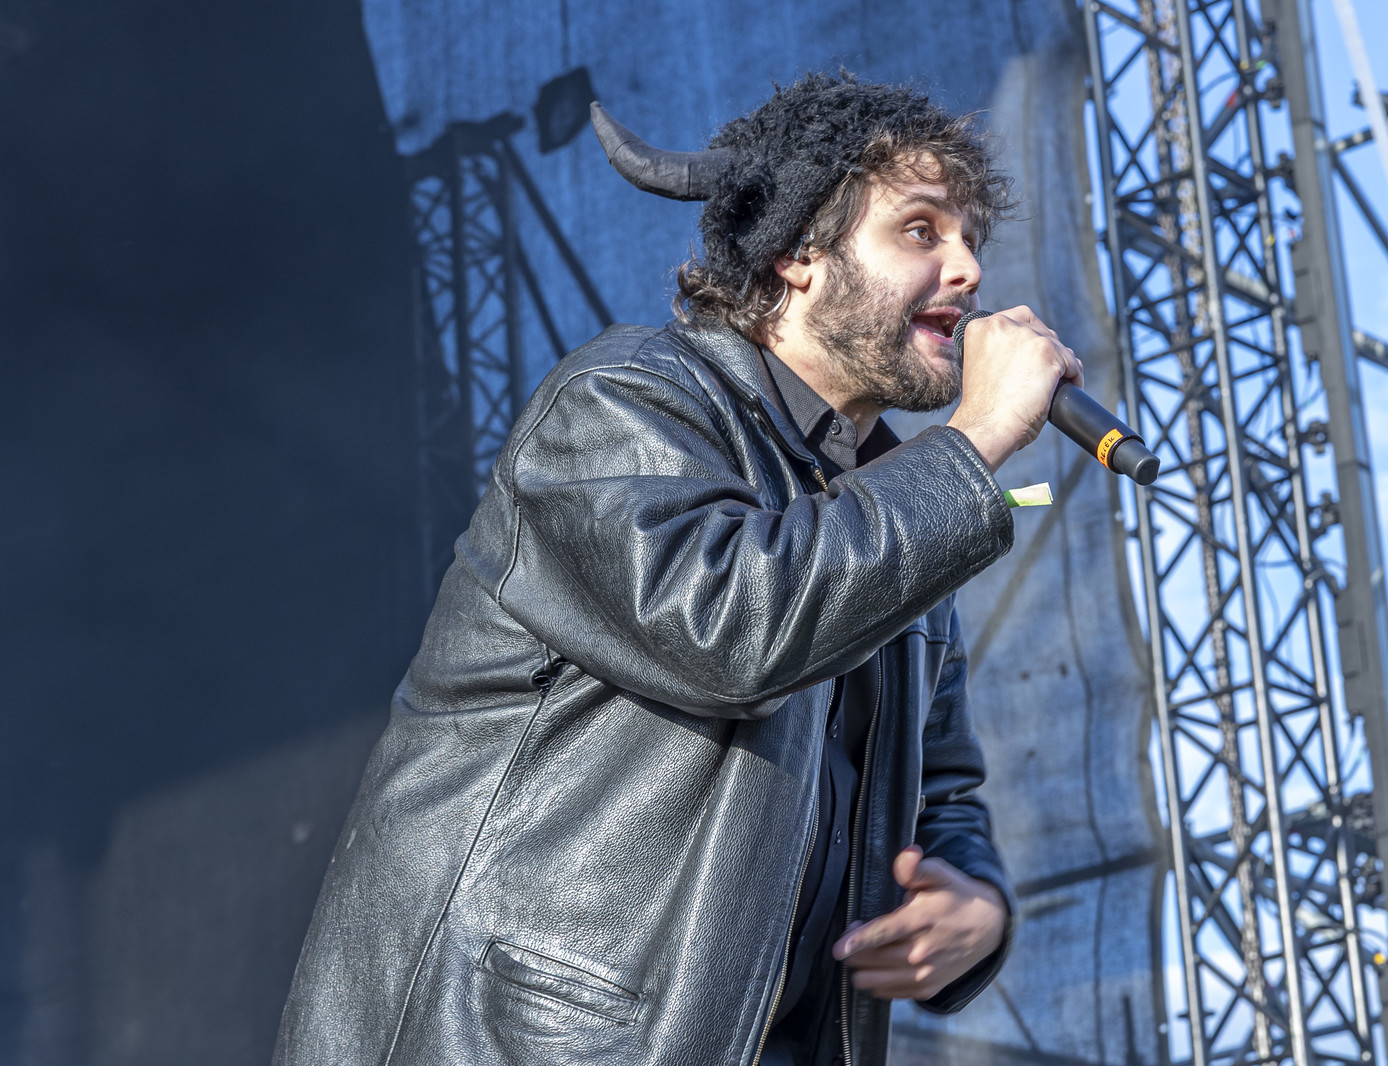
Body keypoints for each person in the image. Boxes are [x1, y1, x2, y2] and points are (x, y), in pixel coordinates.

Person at [273, 72, 1082, 1066]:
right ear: (797, 251)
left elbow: (940, 788)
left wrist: (976, 906)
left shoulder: (894, 512)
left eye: (971, 240)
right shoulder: (621, 404)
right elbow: (733, 628)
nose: (967, 269)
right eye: (922, 230)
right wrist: (978, 437)